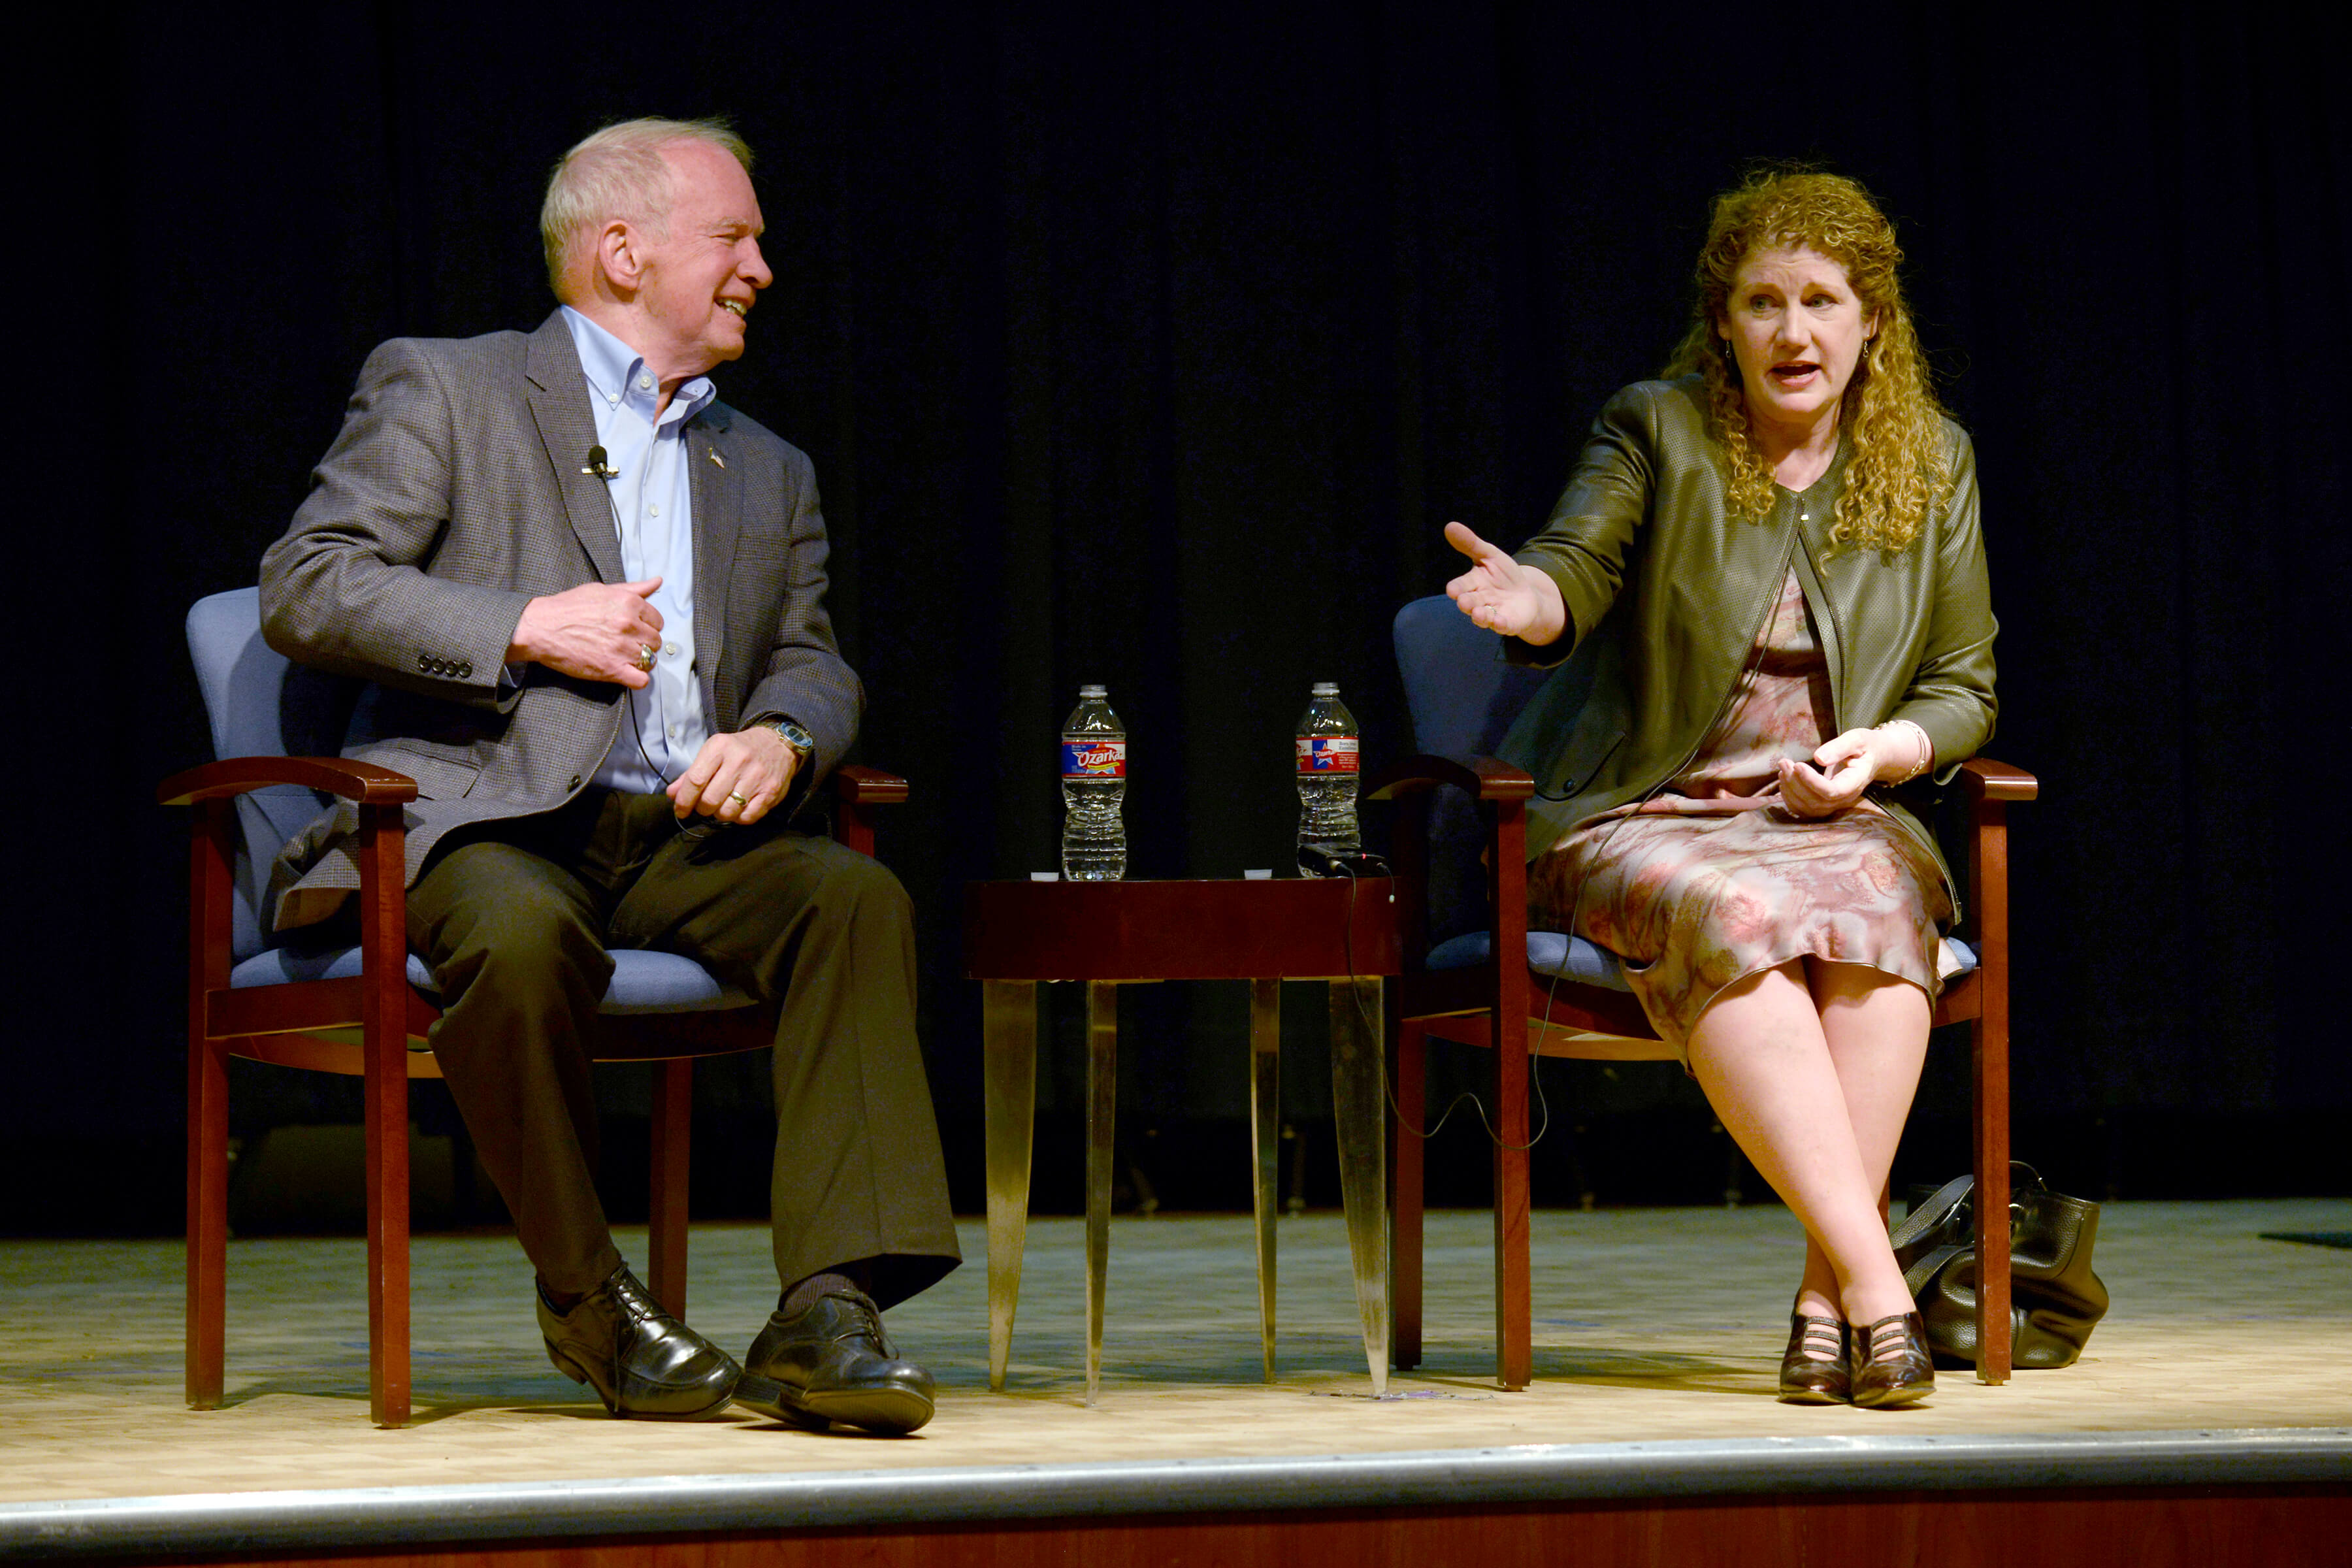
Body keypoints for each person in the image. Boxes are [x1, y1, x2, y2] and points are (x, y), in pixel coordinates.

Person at [259, 117, 960, 1433]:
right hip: (489, 814)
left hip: (683, 830)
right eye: (736, 236)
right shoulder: (449, 390)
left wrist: (786, 739)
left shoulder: (768, 466)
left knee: (856, 904)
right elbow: (309, 583)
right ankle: (591, 1302)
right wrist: (526, 623)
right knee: (520, 936)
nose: (763, 265)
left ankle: (826, 1312)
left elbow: (815, 661)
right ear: (621, 251)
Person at [1443, 169, 1995, 1409]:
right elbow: (1572, 564)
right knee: (1738, 911)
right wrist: (1529, 604)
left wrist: (1887, 753)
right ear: (1723, 319)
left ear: (1872, 324)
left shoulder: (1933, 460)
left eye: (1820, 302)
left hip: (1833, 815)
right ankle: (1880, 1291)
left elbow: (1965, 685)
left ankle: (1821, 1303)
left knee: (1881, 905)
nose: (1793, 333)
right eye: (1762, 302)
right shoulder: (1659, 427)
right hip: (1647, 813)